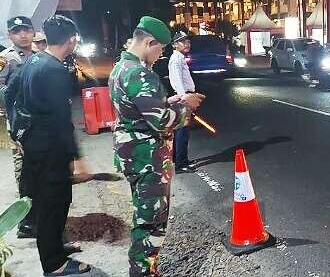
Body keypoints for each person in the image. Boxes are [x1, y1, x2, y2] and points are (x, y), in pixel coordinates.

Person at [109, 16, 205, 276]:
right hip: (147, 156)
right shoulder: (139, 73)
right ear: (149, 42)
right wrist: (187, 106)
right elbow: (163, 122)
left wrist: (169, 99)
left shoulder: (120, 67)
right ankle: (143, 270)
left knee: (143, 212)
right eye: (160, 48)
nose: (161, 54)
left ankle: (143, 268)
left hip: (133, 154)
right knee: (151, 219)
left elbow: (139, 109)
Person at [20, 15, 92, 275]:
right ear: (71, 40)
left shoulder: (33, 60)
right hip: (50, 148)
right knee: (54, 203)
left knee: (52, 201)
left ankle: (56, 247)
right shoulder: (54, 70)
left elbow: (13, 96)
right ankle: (54, 263)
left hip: (35, 143)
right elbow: (62, 121)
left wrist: (20, 135)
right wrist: (78, 157)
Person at [0, 16, 35, 238]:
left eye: (26, 30)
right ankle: (25, 223)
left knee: (39, 173)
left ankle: (38, 215)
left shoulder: (39, 55)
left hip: (38, 125)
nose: (23, 34)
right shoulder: (5, 59)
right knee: (24, 174)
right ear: (9, 35)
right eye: (17, 31)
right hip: (17, 126)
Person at [167, 31, 197, 174]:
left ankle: (178, 159)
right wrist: (185, 98)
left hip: (182, 97)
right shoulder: (176, 59)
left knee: (180, 131)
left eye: (188, 41)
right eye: (182, 41)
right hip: (182, 99)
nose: (187, 44)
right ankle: (181, 164)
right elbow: (178, 80)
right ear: (174, 45)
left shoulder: (180, 58)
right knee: (182, 133)